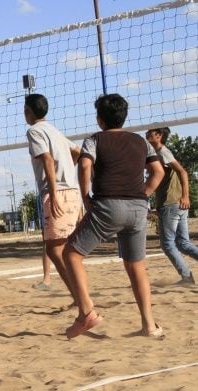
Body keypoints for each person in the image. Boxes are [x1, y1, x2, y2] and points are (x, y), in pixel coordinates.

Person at [62, 94, 164, 339]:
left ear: (100, 119)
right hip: (139, 208)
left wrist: (86, 197)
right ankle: (149, 326)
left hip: (109, 204)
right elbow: (158, 172)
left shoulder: (94, 139)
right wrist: (144, 193)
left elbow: (85, 166)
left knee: (71, 254)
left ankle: (87, 311)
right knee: (136, 266)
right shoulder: (141, 142)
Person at [24, 93, 80, 301]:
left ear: (28, 111)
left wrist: (55, 190)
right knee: (61, 248)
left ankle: (81, 299)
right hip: (71, 192)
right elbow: (77, 151)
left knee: (55, 251)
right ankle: (79, 299)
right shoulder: (54, 131)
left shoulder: (34, 131)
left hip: (57, 193)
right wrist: (67, 171)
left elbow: (47, 159)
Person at [145, 127, 197, 285]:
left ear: (159, 136)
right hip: (174, 204)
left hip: (172, 203)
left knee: (168, 244)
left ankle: (187, 277)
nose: (146, 135)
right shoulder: (157, 154)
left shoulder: (162, 152)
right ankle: (187, 276)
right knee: (183, 243)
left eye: (149, 133)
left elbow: (183, 172)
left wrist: (185, 195)